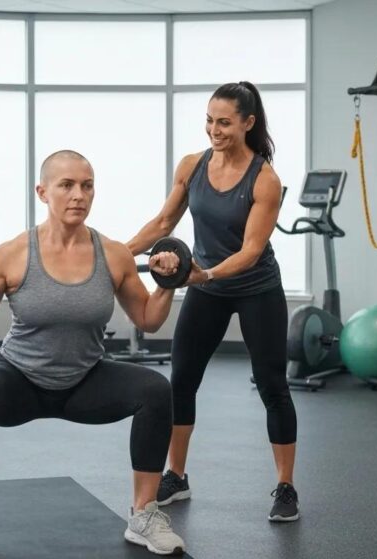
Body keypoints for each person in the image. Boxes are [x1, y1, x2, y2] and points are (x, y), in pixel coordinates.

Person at [0, 150, 205, 559]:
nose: (78, 195)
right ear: (42, 192)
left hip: (85, 379)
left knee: (154, 390)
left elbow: (149, 319)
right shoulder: (13, 253)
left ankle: (144, 514)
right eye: (66, 185)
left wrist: (169, 282)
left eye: (87, 185)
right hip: (20, 378)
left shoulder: (113, 254)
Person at [126, 81, 300, 522]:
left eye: (224, 122)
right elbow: (165, 220)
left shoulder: (265, 179)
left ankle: (285, 486)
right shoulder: (192, 165)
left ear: (248, 123)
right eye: (209, 120)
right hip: (206, 288)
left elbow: (251, 250)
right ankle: (177, 475)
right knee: (181, 380)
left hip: (256, 287)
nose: (214, 130)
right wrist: (117, 253)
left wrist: (203, 274)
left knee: (272, 385)